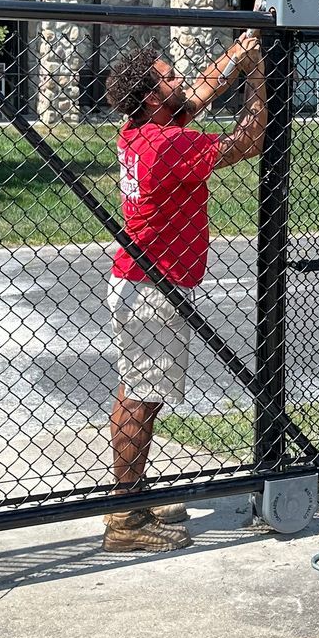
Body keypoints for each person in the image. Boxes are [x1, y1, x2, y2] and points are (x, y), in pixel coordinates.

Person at [99, 30, 267, 551]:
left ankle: (134, 497)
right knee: (141, 400)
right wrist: (258, 77)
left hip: (142, 284)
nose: (182, 81)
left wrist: (239, 53)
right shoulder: (168, 143)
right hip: (153, 292)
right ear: (153, 96)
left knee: (139, 393)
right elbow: (249, 139)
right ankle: (126, 518)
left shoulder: (140, 127)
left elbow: (198, 93)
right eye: (169, 76)